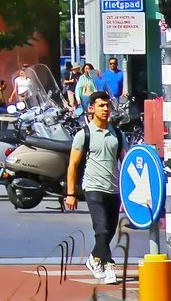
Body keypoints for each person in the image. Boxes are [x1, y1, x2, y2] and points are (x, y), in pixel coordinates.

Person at [64, 91, 123, 285]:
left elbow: (126, 163)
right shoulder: (84, 134)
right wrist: (71, 193)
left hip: (113, 189)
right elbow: (73, 165)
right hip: (93, 188)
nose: (105, 109)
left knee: (109, 231)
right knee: (102, 228)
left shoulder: (117, 134)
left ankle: (94, 258)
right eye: (101, 106)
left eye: (107, 106)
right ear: (91, 108)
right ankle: (108, 265)